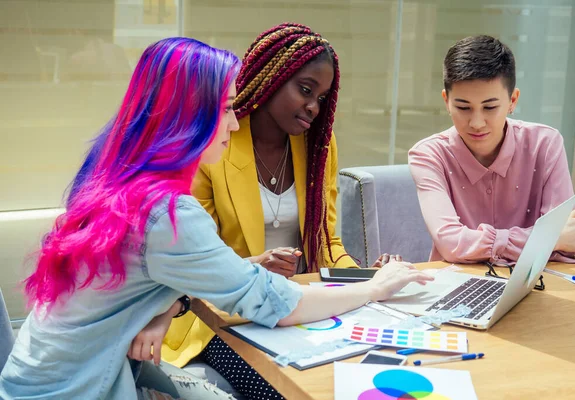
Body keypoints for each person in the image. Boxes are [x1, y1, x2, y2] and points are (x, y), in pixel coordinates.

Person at [0, 37, 433, 400]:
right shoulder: (168, 214)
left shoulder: (116, 180)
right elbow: (274, 305)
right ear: (187, 114)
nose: (233, 123)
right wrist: (378, 286)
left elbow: (176, 269)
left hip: (43, 380)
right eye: (226, 108)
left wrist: (240, 273)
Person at [155, 23, 403, 399]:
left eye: (321, 97)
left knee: (378, 375)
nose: (313, 107)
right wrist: (256, 263)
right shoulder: (216, 142)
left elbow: (327, 241)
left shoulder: (318, 145)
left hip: (300, 305)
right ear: (270, 78)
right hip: (220, 312)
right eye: (305, 90)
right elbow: (201, 262)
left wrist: (368, 278)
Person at [408, 35, 575, 265]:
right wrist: (548, 238)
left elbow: (570, 240)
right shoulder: (427, 155)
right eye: (463, 107)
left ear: (512, 100)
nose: (476, 122)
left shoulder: (545, 144)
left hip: (538, 284)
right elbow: (451, 244)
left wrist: (554, 238)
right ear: (446, 101)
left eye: (490, 107)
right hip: (459, 286)